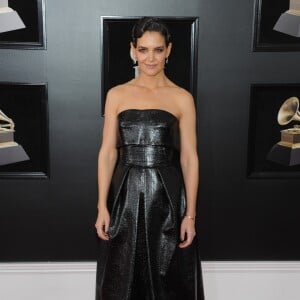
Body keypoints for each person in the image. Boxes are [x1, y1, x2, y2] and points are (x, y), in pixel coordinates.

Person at [95, 17, 205, 300]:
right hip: (125, 196)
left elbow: (190, 157)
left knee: (168, 279)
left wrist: (189, 214)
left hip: (166, 197)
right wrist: (101, 206)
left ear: (168, 50)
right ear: (133, 50)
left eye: (157, 50)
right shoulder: (116, 94)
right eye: (143, 50)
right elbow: (108, 151)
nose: (150, 58)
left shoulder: (182, 98)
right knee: (121, 279)